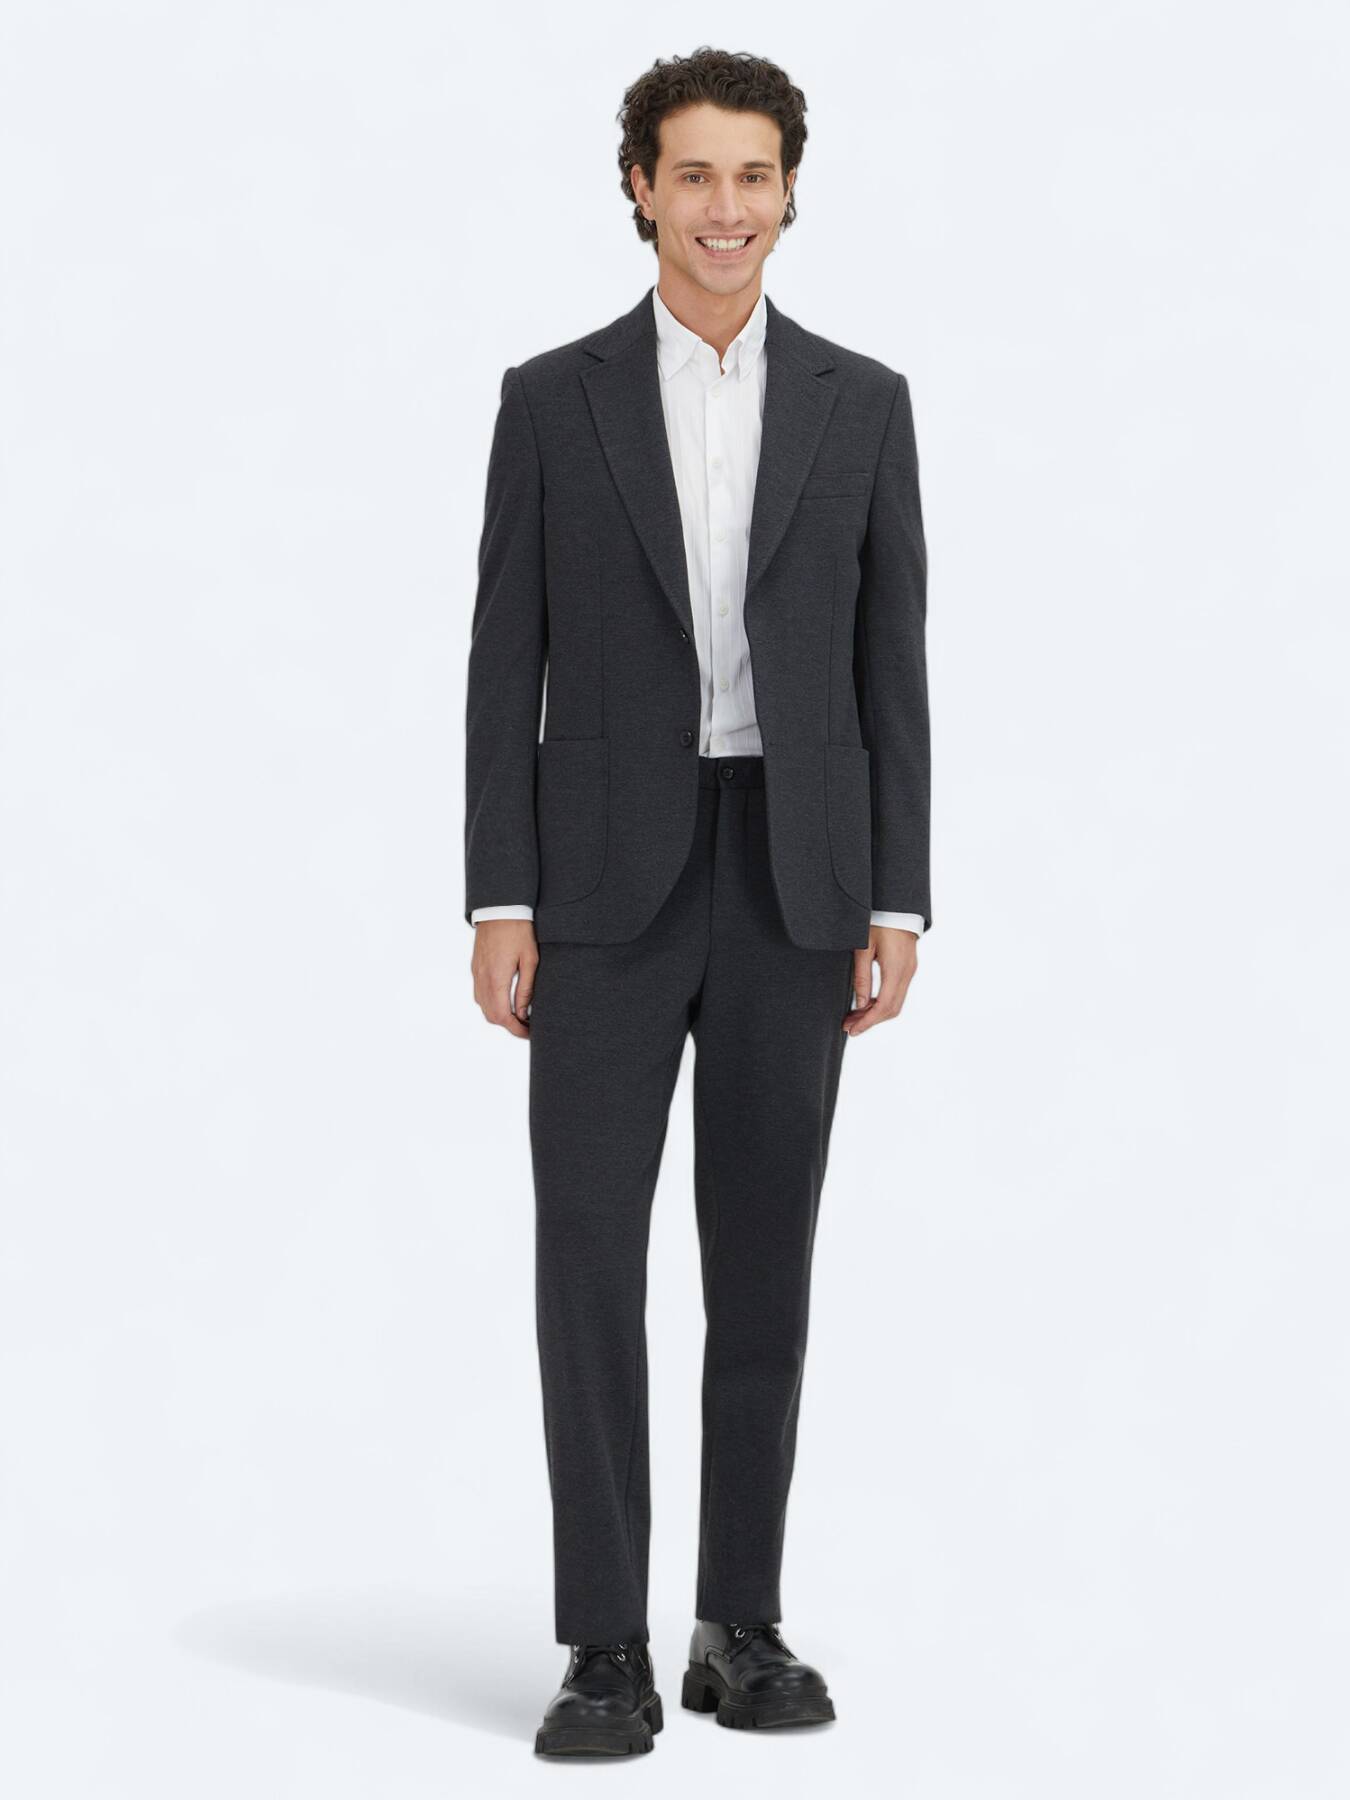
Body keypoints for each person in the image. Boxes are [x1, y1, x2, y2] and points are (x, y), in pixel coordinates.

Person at [464, 45, 931, 1758]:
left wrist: (897, 898)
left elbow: (892, 660)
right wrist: (498, 892)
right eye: (692, 175)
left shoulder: (862, 401)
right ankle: (605, 1644)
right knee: (588, 1258)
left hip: (796, 877)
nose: (724, 207)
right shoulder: (551, 397)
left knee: (764, 1261)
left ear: (789, 191)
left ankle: (740, 1622)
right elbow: (501, 653)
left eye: (753, 175)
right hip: (598, 884)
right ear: (639, 190)